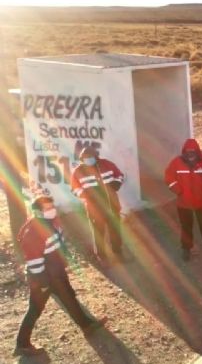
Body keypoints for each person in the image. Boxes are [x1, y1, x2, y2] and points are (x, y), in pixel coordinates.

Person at [15, 189, 107, 357]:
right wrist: (42, 283)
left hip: (56, 273)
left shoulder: (53, 222)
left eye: (52, 207)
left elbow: (59, 246)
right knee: (35, 309)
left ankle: (86, 325)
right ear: (38, 212)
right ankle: (22, 344)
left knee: (69, 297)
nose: (52, 210)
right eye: (48, 208)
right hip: (43, 277)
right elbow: (34, 261)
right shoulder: (33, 231)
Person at [164, 139, 202, 261]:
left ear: (197, 151)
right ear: (184, 151)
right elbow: (169, 178)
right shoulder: (176, 162)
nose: (190, 153)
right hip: (184, 204)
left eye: (193, 151)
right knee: (186, 227)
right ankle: (186, 249)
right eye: (188, 151)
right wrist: (178, 191)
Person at [70, 146, 125, 264]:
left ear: (96, 156)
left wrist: (116, 183)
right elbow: (74, 188)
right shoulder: (78, 170)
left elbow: (120, 175)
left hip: (111, 204)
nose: (88, 159)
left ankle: (118, 253)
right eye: (85, 158)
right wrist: (85, 196)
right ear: (81, 158)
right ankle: (102, 257)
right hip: (93, 207)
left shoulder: (107, 164)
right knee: (98, 232)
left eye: (91, 157)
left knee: (115, 230)